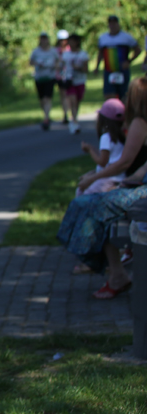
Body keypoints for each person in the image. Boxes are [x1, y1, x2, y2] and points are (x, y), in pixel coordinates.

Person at [58, 76, 147, 299]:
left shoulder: (139, 123)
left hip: (141, 190)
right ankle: (115, 272)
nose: (126, 98)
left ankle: (106, 268)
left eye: (128, 95)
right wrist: (128, 179)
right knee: (100, 208)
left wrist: (92, 180)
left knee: (92, 206)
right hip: (137, 184)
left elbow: (124, 162)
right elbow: (137, 168)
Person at [78, 99, 126, 195]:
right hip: (121, 177)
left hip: (107, 179)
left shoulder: (106, 137)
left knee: (82, 193)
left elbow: (103, 162)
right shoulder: (123, 136)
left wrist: (90, 150)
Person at [98, 14, 139, 100]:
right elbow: (100, 53)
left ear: (118, 24)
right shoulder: (103, 38)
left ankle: (124, 112)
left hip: (122, 70)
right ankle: (112, 112)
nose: (112, 25)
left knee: (124, 95)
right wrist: (97, 67)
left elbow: (138, 50)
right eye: (110, 23)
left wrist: (129, 61)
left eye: (114, 23)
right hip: (109, 70)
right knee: (109, 95)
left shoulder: (126, 37)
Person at [30, 31, 61, 130]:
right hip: (39, 77)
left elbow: (58, 60)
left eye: (45, 38)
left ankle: (46, 118)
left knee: (47, 98)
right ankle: (46, 115)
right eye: (42, 38)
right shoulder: (36, 51)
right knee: (42, 99)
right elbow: (31, 61)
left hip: (50, 77)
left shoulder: (53, 51)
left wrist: (54, 66)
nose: (43, 40)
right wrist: (38, 63)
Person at [60, 31, 89, 134]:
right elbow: (61, 66)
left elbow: (86, 69)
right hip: (69, 81)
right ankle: (74, 121)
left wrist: (78, 68)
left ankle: (75, 118)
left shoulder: (83, 54)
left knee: (78, 101)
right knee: (72, 100)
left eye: (73, 41)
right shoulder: (65, 55)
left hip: (80, 80)